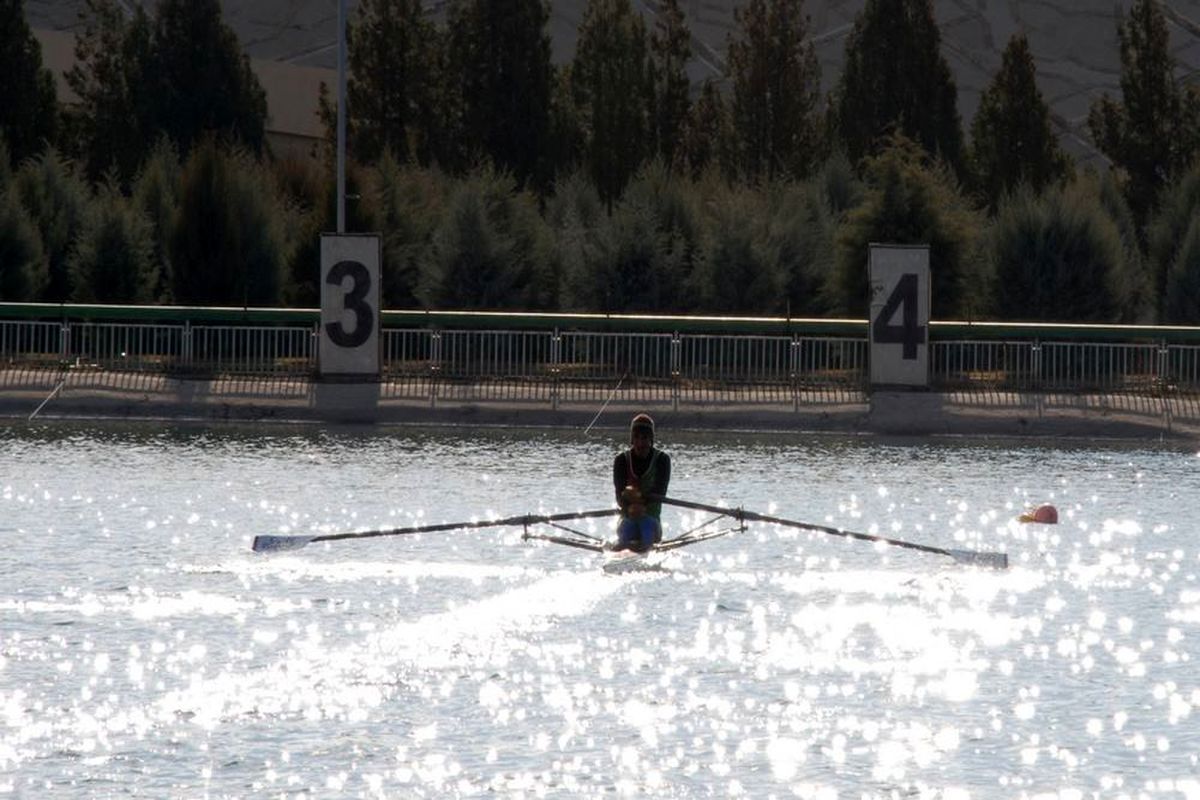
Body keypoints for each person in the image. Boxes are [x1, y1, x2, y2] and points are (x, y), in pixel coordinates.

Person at [612, 413, 671, 552]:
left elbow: (660, 491)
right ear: (631, 439)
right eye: (636, 438)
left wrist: (640, 504)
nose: (640, 444)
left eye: (644, 438)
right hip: (628, 518)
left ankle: (645, 549)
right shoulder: (621, 460)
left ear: (651, 439)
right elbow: (619, 496)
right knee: (626, 528)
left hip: (651, 521)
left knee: (646, 526)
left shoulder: (663, 460)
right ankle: (622, 550)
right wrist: (629, 506)